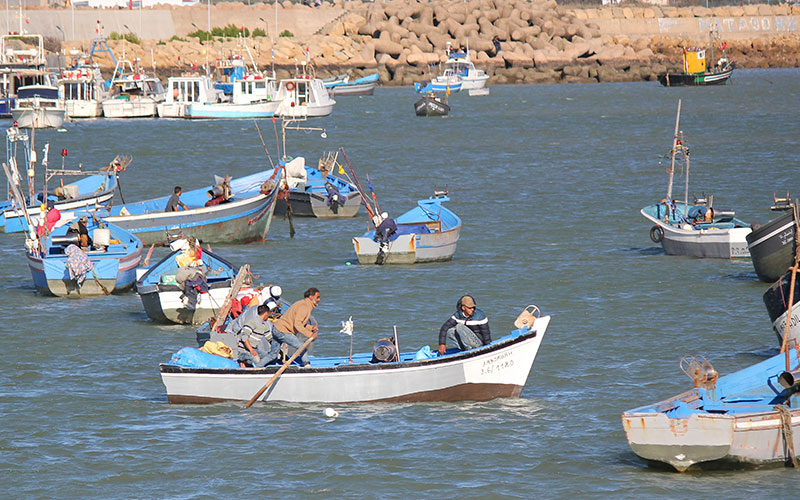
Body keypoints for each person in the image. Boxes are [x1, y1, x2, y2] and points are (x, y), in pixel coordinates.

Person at [274, 287, 321, 360]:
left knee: (272, 354)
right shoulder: (304, 307)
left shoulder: (303, 304)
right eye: (317, 297)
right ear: (311, 297)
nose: (319, 300)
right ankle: (306, 365)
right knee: (302, 347)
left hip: (276, 328)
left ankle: (259, 367)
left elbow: (301, 323)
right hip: (283, 331)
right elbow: (298, 324)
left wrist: (311, 328)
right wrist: (310, 335)